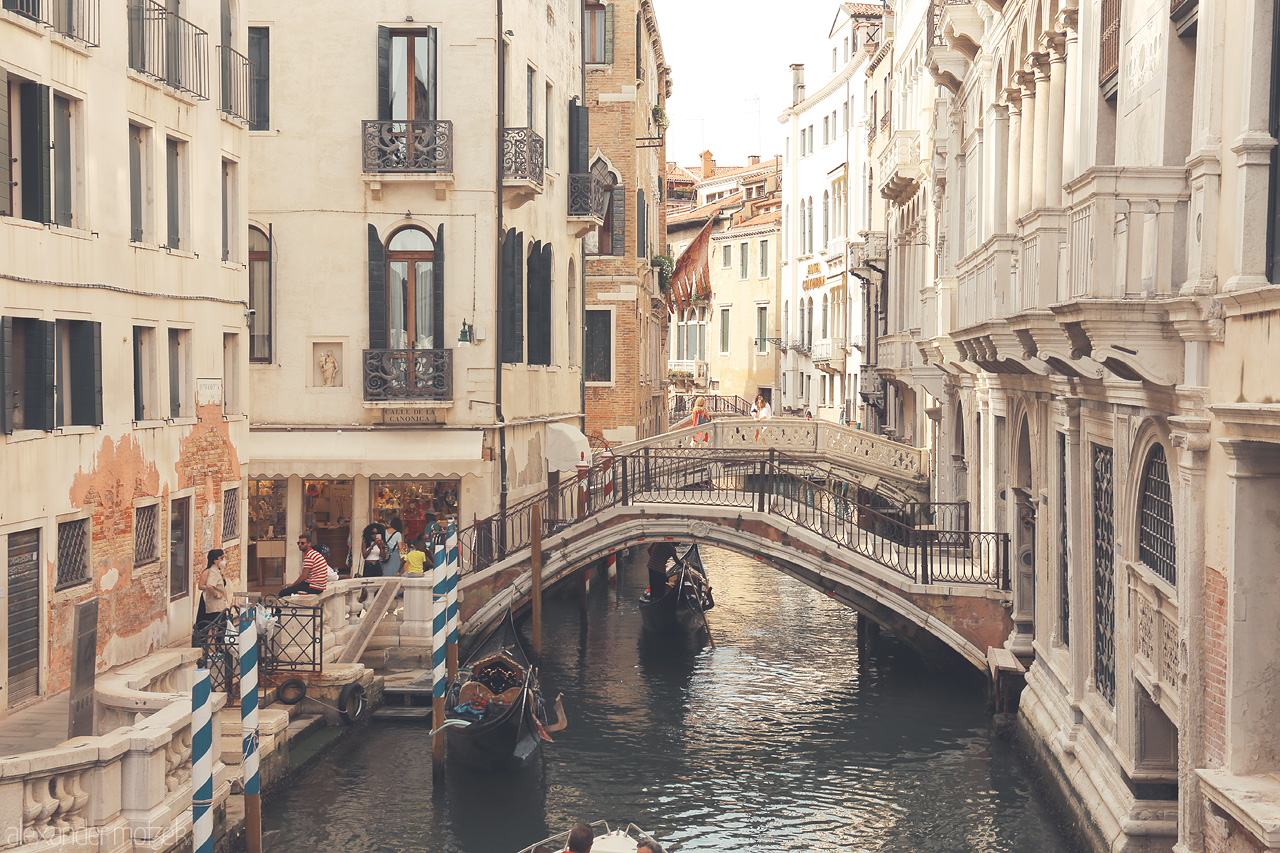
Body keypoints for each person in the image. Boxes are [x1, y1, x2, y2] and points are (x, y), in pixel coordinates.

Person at [194, 549, 230, 643]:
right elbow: (201, 586)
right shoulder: (208, 572)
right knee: (211, 625)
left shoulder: (218, 571)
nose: (223, 560)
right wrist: (214, 591)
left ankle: (217, 646)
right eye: (221, 558)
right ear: (215, 560)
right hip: (209, 600)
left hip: (219, 602)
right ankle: (209, 647)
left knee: (221, 624)